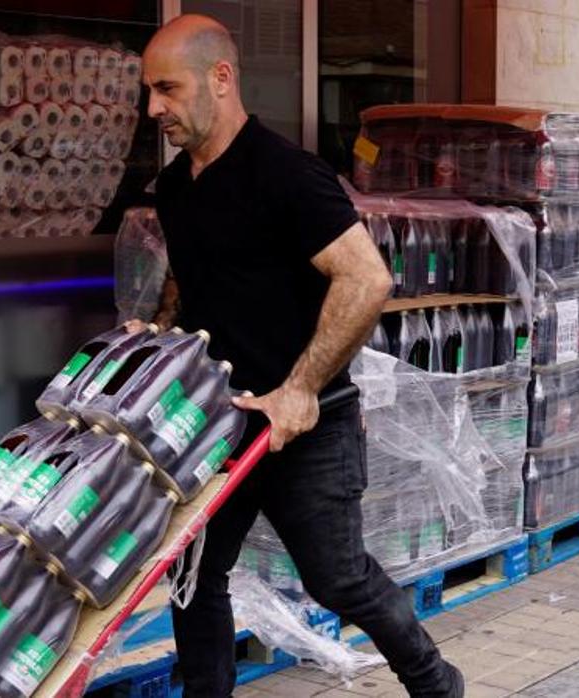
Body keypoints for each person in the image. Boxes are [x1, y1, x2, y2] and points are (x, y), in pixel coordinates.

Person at [136, 15, 464, 697]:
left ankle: (437, 683)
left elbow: (366, 277)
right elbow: (190, 281)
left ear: (220, 79)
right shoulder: (174, 189)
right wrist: (158, 338)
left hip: (308, 424)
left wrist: (300, 389)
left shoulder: (286, 174)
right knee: (194, 577)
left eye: (166, 88)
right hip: (220, 425)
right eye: (149, 91)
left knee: (337, 577)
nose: (153, 108)